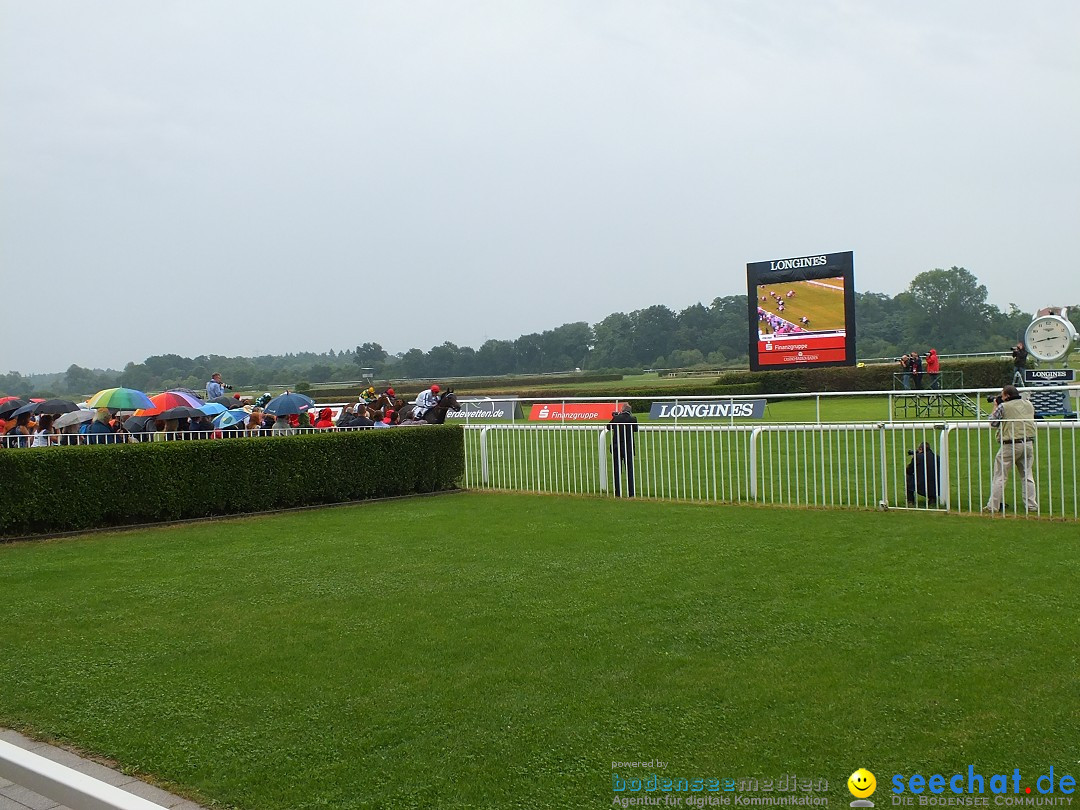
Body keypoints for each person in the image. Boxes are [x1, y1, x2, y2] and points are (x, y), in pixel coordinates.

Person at [984, 385, 1038, 514]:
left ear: (1007, 396)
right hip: (1028, 442)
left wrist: (995, 406)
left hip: (1010, 444)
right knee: (1027, 476)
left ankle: (993, 506)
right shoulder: (1028, 404)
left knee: (1000, 476)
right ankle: (1031, 505)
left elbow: (993, 422)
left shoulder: (1003, 406)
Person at [608, 402, 639, 498]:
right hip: (628, 448)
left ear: (622, 410)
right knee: (630, 470)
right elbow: (635, 429)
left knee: (617, 470)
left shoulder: (617, 418)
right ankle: (631, 493)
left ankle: (617, 493)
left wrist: (615, 417)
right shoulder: (633, 419)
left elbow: (608, 427)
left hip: (617, 447)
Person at [905, 442, 939, 506]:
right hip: (936, 486)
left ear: (920, 449)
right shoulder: (937, 457)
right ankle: (932, 499)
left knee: (908, 477)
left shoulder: (918, 457)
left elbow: (909, 471)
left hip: (921, 485)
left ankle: (910, 501)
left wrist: (914, 459)